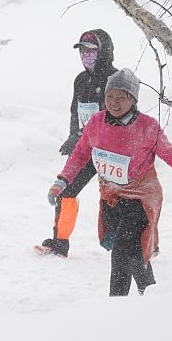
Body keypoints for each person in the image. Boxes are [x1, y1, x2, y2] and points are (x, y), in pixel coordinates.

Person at [48, 69, 172, 296]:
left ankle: (116, 305)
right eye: (110, 96)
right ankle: (151, 294)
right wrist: (62, 181)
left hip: (141, 197)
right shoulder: (97, 122)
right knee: (134, 251)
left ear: (133, 100)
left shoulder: (147, 126)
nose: (114, 102)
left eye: (121, 97)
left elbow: (170, 154)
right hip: (112, 197)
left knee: (122, 249)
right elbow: (80, 154)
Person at [37, 28, 118, 257]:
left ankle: (143, 245)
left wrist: (82, 134)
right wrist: (75, 136)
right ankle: (60, 243)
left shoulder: (116, 79)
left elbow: (113, 117)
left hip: (113, 152)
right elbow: (76, 111)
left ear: (103, 52)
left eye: (91, 51)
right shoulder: (81, 80)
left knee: (119, 200)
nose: (85, 55)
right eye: (82, 51)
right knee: (66, 190)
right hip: (87, 149)